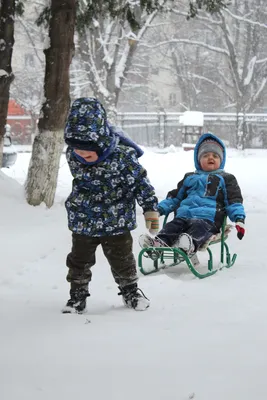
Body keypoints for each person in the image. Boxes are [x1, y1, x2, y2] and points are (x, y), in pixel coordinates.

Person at [62, 97, 159, 314]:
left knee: (123, 261)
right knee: (78, 261)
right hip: (83, 220)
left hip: (117, 221)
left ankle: (130, 291)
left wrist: (150, 210)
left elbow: (140, 182)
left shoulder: (122, 157)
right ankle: (77, 295)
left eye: (88, 151)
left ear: (101, 141)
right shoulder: (73, 154)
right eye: (77, 149)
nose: (82, 155)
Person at [141, 132, 246, 255]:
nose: (210, 158)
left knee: (198, 227)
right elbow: (174, 197)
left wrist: (239, 219)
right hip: (183, 216)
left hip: (208, 220)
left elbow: (234, 201)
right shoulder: (189, 177)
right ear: (198, 159)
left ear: (221, 160)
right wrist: (158, 210)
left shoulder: (226, 178)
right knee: (172, 227)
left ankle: (188, 245)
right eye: (206, 155)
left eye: (215, 156)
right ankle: (158, 245)